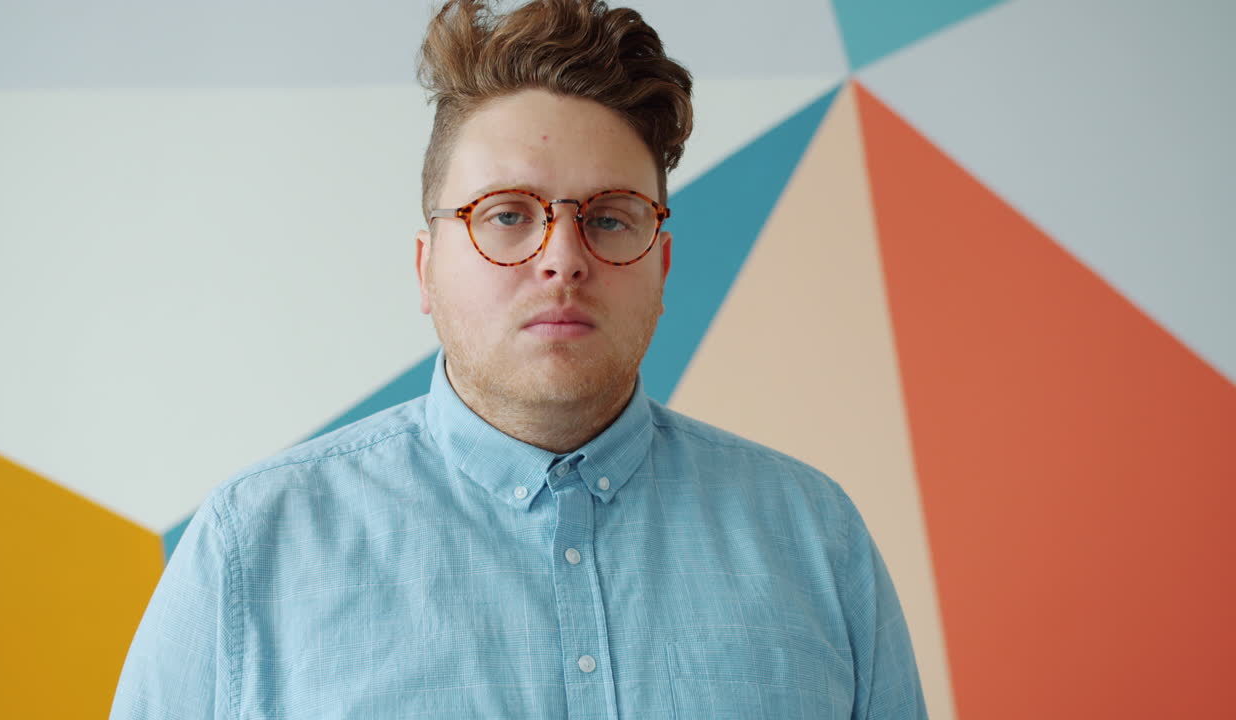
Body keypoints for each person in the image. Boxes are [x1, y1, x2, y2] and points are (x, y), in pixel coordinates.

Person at [111, 1, 927, 717]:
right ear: (426, 268)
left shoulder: (817, 540)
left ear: (662, 266)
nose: (563, 259)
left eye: (610, 218)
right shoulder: (250, 550)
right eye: (506, 215)